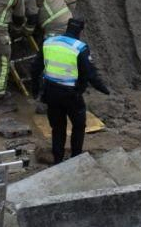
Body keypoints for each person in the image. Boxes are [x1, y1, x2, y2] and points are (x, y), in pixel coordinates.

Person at [32, 17, 109, 165]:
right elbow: (89, 74)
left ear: (67, 27)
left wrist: (36, 90)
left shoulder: (49, 42)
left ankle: (58, 160)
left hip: (50, 93)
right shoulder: (79, 47)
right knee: (79, 126)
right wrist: (103, 89)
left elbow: (35, 68)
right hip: (71, 95)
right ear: (80, 30)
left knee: (57, 128)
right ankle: (75, 158)